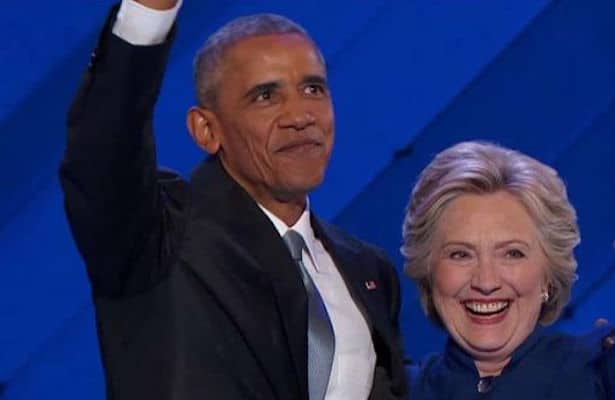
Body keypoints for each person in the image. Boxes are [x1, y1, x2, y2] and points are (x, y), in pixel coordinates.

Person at [60, 0, 406, 399]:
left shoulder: (368, 270)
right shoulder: (162, 237)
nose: (299, 115)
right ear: (207, 130)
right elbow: (103, 148)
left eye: (313, 88)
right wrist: (147, 11)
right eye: (265, 96)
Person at [402, 141, 615, 399]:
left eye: (512, 253)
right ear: (430, 273)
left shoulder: (602, 373)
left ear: (547, 275)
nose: (486, 280)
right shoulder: (398, 390)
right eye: (460, 254)